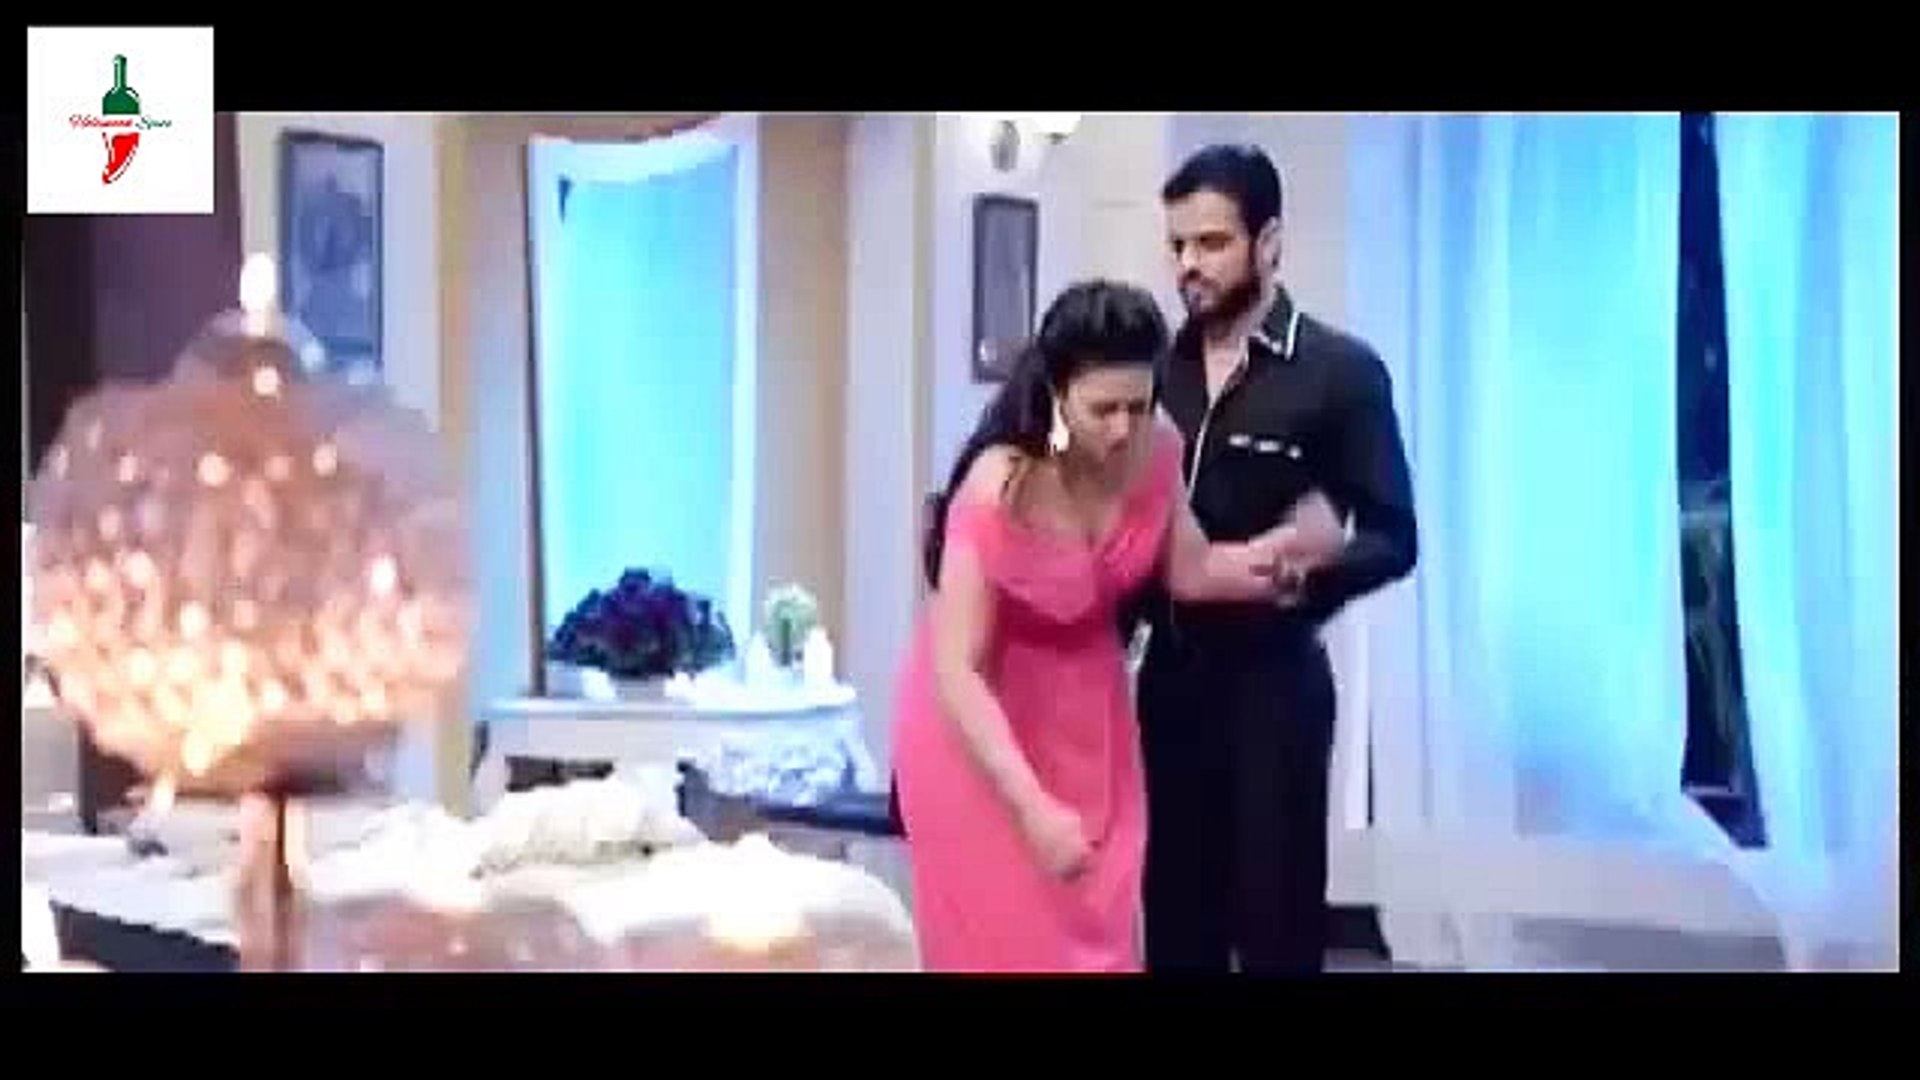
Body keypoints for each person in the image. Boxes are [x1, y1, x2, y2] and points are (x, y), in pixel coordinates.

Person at [891, 279, 1345, 973]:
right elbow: (959, 669)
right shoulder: (1001, 485)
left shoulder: (1157, 454)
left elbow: (1194, 570)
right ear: (1056, 395)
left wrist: (1290, 554)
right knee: (1010, 942)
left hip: (1085, 720)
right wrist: (1032, 806)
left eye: (1139, 405)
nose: (1123, 429)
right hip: (981, 726)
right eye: (1103, 409)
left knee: (1095, 940)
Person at [1134, 144, 1418, 974]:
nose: (1189, 265)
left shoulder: (1341, 373)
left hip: (1275, 691)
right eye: (1178, 245)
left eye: (1212, 243)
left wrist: (1311, 572)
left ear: (1269, 242)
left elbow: (1394, 535)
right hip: (1171, 687)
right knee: (1174, 926)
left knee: (1277, 928)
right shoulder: (1152, 374)